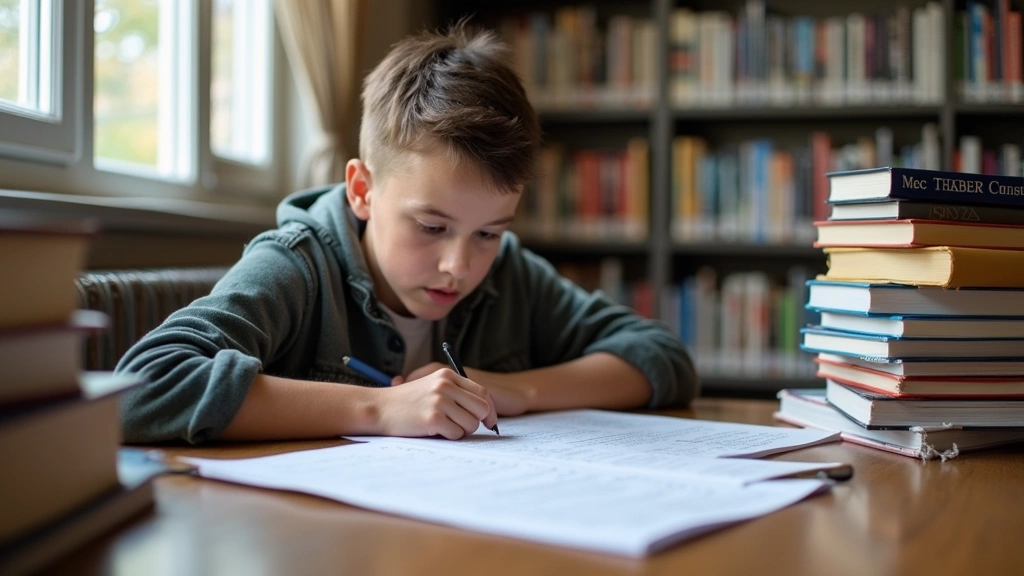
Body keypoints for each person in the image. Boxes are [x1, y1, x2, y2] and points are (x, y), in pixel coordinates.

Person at [117, 23, 698, 444]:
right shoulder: (298, 265)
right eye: (431, 226)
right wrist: (381, 408)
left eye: (489, 233)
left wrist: (516, 391)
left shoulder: (510, 272)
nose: (459, 265)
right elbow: (143, 385)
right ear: (362, 190)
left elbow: (661, 358)